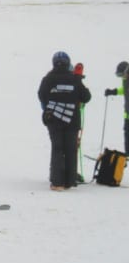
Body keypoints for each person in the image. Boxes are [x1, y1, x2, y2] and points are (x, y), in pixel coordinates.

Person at [38, 51, 91, 190]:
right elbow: (86, 97)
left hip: (53, 120)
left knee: (57, 148)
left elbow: (41, 95)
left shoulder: (48, 79)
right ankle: (69, 181)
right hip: (72, 121)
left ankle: (57, 182)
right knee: (70, 149)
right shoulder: (74, 79)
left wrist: (47, 108)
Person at [105, 61, 128, 154]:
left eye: (122, 75)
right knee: (127, 136)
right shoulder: (125, 80)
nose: (122, 77)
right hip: (127, 115)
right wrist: (113, 91)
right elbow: (125, 90)